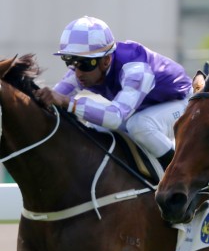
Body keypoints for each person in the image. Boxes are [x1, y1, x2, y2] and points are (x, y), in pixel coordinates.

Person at [36, 16, 192, 169]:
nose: (78, 73)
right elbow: (51, 99)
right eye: (71, 62)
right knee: (94, 128)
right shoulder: (83, 72)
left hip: (183, 104)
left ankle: (183, 173)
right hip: (142, 110)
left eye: (83, 64)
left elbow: (115, 117)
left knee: (139, 125)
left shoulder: (136, 71)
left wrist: (68, 103)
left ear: (106, 61)